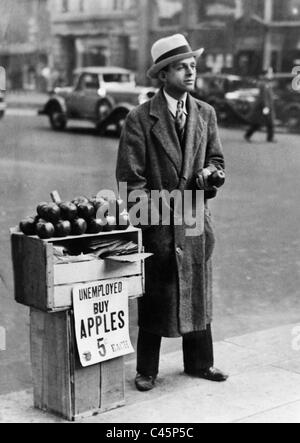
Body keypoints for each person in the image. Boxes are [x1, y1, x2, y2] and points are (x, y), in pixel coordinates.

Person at [116, 34, 228, 392]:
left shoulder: (205, 114)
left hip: (195, 223)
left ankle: (200, 363)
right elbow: (131, 182)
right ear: (163, 75)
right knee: (157, 297)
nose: (191, 72)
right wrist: (159, 210)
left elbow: (216, 159)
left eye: (193, 66)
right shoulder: (139, 120)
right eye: (182, 67)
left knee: (197, 290)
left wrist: (212, 174)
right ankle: (147, 369)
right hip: (160, 227)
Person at [245, 71, 276, 143]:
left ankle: (270, 138)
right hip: (263, 107)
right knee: (259, 123)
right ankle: (248, 135)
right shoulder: (264, 85)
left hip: (266, 107)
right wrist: (266, 107)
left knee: (269, 123)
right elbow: (264, 97)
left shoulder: (266, 84)